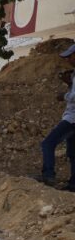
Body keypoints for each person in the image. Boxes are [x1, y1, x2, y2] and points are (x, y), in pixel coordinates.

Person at [36, 43, 75, 191]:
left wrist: (63, 95)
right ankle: (73, 185)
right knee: (73, 153)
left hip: (72, 119)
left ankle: (48, 175)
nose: (68, 60)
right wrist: (70, 84)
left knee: (48, 143)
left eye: (70, 57)